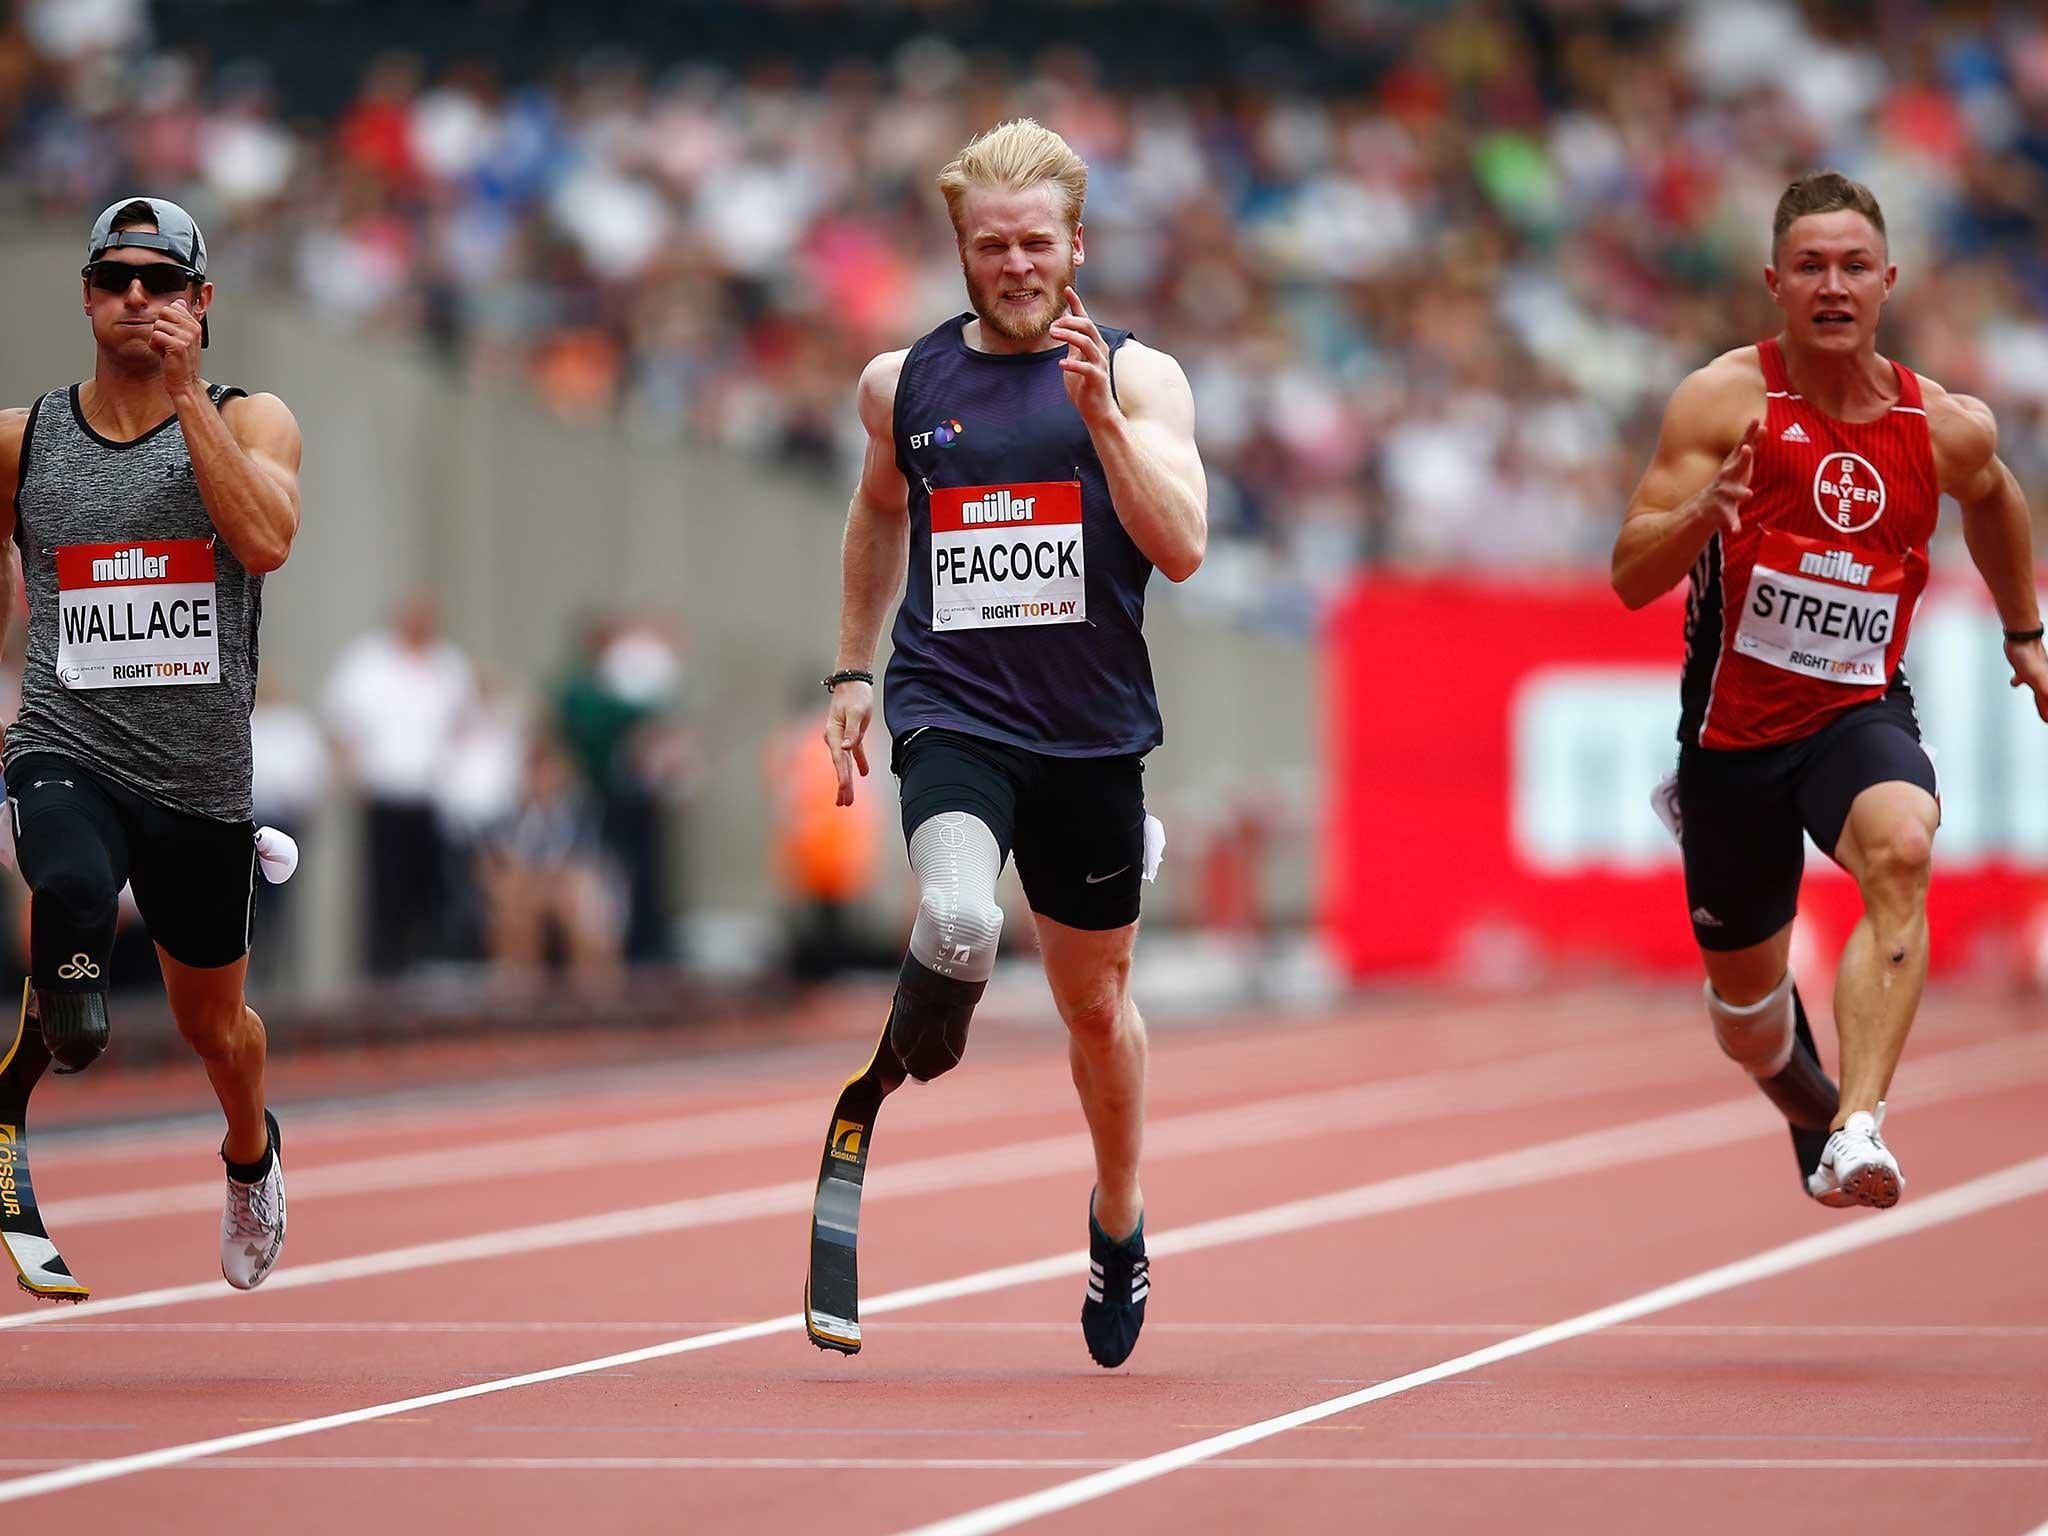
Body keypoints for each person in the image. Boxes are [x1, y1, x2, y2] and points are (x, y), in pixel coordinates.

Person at [803, 118, 1206, 1367]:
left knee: (1096, 1011)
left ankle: (1118, 1212)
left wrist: (1100, 426)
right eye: (993, 246)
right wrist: (853, 669)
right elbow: (876, 520)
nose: (1018, 264)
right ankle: (918, 1027)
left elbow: (1183, 546)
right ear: (961, 254)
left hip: (1089, 738)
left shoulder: (1138, 378)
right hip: (952, 711)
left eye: (1038, 242)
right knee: (967, 918)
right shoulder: (900, 386)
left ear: (1076, 244)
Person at [1612, 170, 2048, 1210]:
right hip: (1727, 742)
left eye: (1852, 265)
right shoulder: (1724, 401)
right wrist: (1697, 517)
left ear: (1886, 281)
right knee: (1749, 1022)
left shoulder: (1941, 425)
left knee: (1901, 845)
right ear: (1774, 282)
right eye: (1809, 265)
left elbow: (1991, 496)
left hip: (1855, 709)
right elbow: (1629, 574)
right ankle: (1808, 1104)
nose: (1832, 284)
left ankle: (1857, 1128)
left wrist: (2023, 630)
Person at [0, 195, 301, 1297]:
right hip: (65, 741)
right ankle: (67, 1010)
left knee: (213, 1027)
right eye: (117, 279)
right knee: (70, 887)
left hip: (198, 775)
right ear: (85, 295)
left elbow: (264, 540)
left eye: (162, 283)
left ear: (201, 303)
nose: (139, 298)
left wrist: (185, 400)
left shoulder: (250, 417)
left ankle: (248, 1151)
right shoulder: (22, 438)